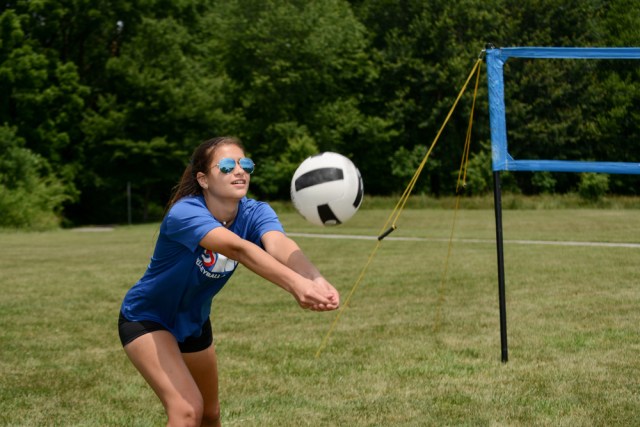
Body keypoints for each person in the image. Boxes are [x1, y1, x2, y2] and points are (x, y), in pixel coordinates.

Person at [118, 136, 340, 427]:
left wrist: (315, 279)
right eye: (226, 165)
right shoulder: (184, 212)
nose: (239, 171)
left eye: (245, 164)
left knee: (210, 415)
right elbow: (239, 249)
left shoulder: (256, 211)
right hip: (147, 318)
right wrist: (296, 286)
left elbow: (279, 245)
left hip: (194, 322)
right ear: (203, 179)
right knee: (187, 410)